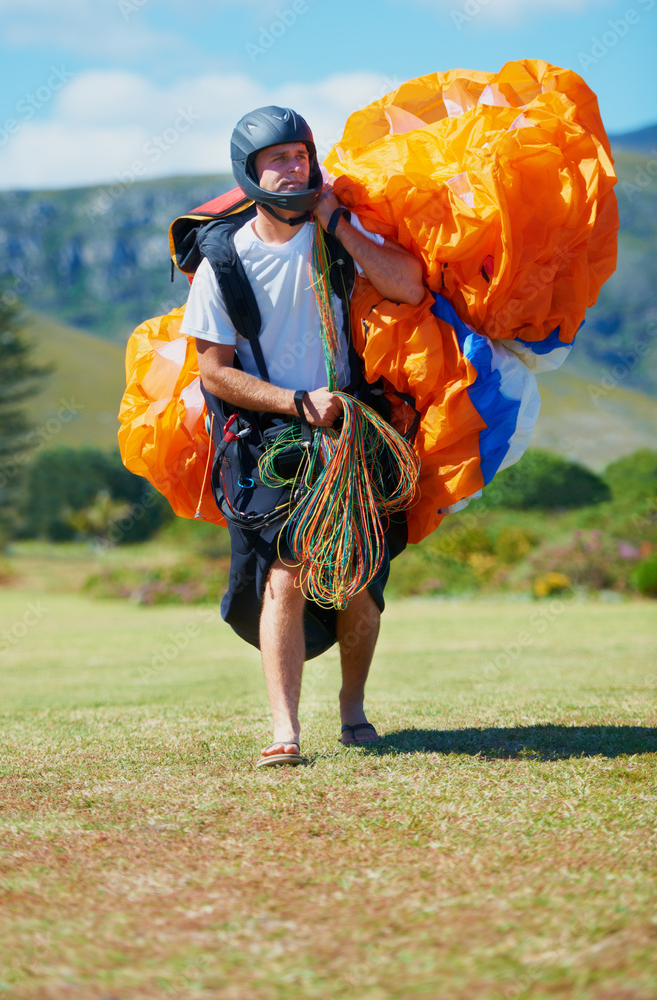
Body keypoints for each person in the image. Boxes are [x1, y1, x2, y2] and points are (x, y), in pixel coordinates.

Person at [181, 106, 424, 766]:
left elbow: (407, 287)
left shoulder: (336, 234)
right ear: (251, 172)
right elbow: (214, 372)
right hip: (269, 436)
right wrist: (293, 402)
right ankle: (285, 732)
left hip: (349, 425)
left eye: (300, 155)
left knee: (358, 576)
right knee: (284, 578)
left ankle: (353, 710)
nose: (293, 167)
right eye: (277, 158)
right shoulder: (224, 262)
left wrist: (337, 222)